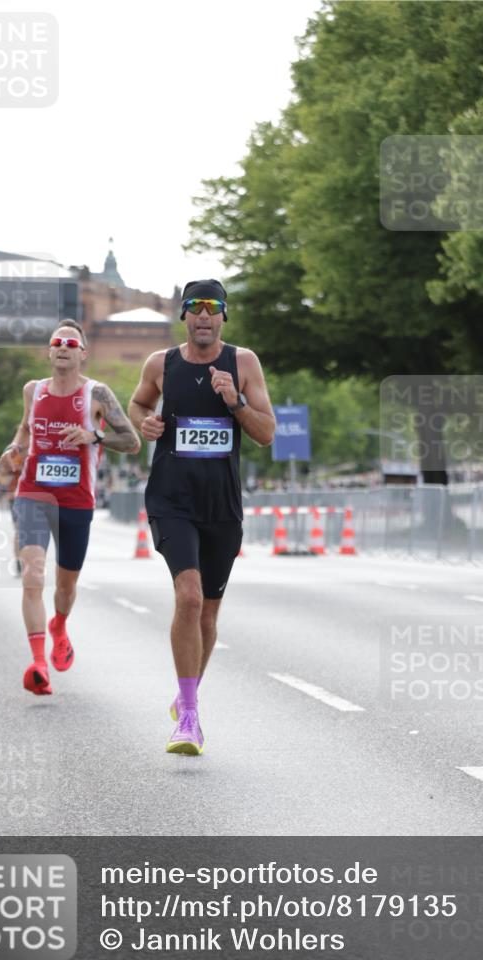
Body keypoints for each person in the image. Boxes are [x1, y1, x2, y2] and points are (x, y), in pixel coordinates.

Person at [129, 279, 275, 754]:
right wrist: (145, 423)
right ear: (184, 316)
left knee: (208, 615)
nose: (204, 317)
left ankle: (186, 695)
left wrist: (234, 400)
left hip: (221, 505)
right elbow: (138, 404)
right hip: (172, 498)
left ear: (223, 317)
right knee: (188, 598)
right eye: (195, 308)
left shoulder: (243, 362)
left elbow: (267, 434)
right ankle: (189, 718)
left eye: (213, 309)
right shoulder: (161, 364)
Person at [0, 319, 141, 696]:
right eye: (56, 342)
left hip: (76, 500)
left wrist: (94, 436)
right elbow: (24, 430)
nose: (62, 347)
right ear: (49, 351)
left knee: (65, 585)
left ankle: (59, 625)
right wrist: (14, 449)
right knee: (33, 576)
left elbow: (132, 441)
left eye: (70, 342)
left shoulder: (98, 394)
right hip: (33, 493)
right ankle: (38, 663)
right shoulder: (33, 390)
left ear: (82, 353)